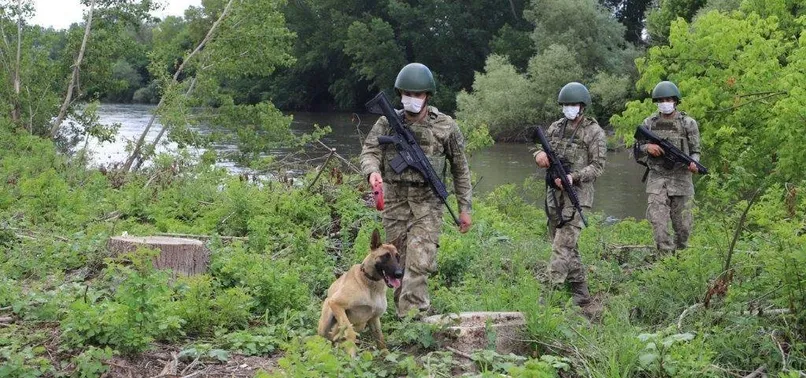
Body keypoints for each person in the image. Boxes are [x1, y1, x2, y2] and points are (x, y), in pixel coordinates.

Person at [360, 62, 472, 319]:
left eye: (417, 94)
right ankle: (404, 315)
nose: (411, 98)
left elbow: (461, 169)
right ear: (400, 94)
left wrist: (464, 208)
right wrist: (372, 172)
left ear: (427, 96)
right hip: (395, 203)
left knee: (419, 262)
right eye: (406, 94)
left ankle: (414, 319)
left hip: (428, 205)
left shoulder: (445, 126)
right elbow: (370, 151)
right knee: (396, 263)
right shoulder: (386, 122)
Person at [533, 82, 606, 309]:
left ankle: (550, 293)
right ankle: (580, 291)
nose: (568, 108)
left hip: (578, 195)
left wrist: (573, 177)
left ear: (582, 106)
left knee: (562, 244)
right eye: (565, 105)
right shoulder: (556, 127)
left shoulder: (594, 132)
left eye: (573, 104)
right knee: (565, 242)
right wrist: (539, 154)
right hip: (554, 194)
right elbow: (539, 145)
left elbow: (598, 166)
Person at [636, 81, 701, 256]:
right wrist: (647, 148)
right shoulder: (649, 123)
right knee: (659, 224)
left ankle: (680, 259)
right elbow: (635, 149)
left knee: (684, 227)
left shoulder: (688, 123)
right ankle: (665, 260)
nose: (664, 103)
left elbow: (696, 151)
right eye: (661, 100)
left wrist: (694, 163)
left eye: (668, 99)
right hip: (657, 178)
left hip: (682, 179)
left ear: (675, 101)